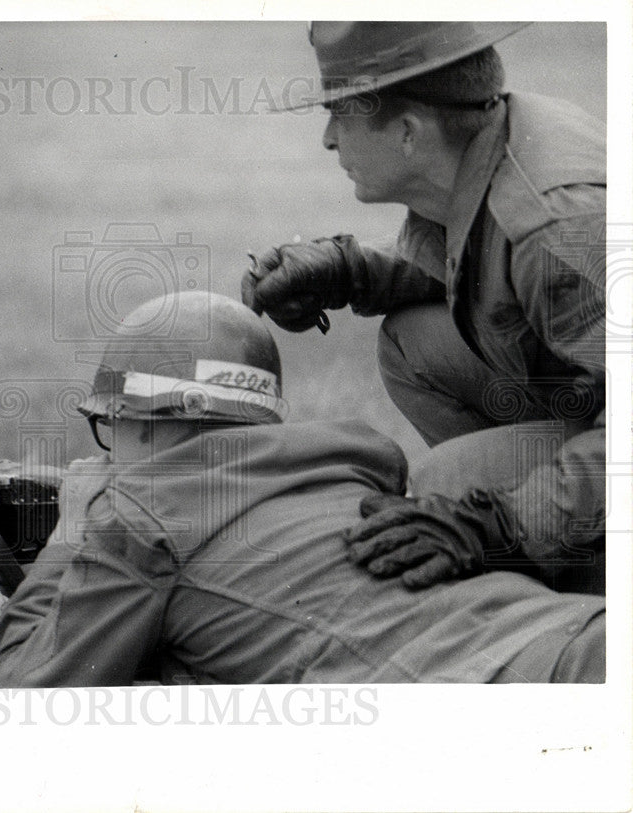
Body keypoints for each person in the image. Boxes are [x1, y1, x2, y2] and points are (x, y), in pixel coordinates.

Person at [0, 293, 604, 687]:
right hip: (586, 635)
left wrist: (74, 531)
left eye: (107, 427)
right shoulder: (349, 471)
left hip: (510, 696)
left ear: (139, 422)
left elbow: (20, 699)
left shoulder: (140, 519)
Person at [240, 22, 606, 595]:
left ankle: (576, 579)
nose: (329, 138)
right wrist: (351, 270)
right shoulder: (493, 142)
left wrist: (494, 524)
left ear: (409, 132)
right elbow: (479, 252)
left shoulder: (556, 226)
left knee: (451, 481)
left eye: (341, 113)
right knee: (413, 339)